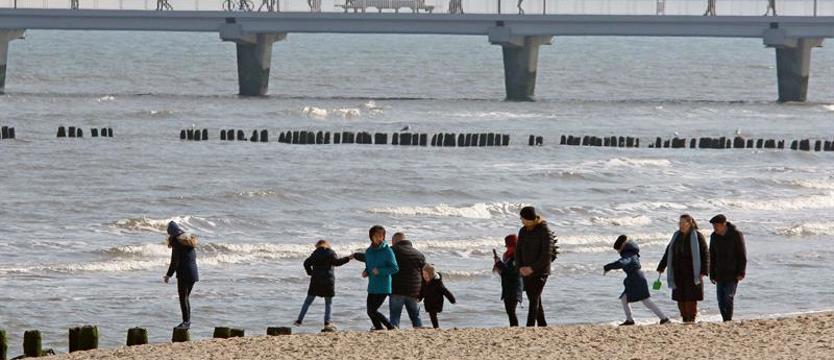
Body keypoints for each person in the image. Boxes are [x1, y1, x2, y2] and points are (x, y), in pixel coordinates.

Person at [604, 235, 670, 326]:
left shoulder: (628, 254)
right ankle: (630, 320)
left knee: (646, 301)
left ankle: (664, 319)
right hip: (634, 279)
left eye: (618, 250)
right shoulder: (631, 252)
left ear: (621, 247)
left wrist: (608, 267)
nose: (618, 252)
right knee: (625, 298)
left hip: (637, 279)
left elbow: (622, 262)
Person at [657, 214, 709, 323]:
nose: (680, 225)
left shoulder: (698, 236)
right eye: (679, 223)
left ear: (689, 223)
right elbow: (668, 252)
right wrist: (662, 266)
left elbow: (705, 254)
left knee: (691, 298)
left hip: (693, 273)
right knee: (680, 298)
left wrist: (704, 271)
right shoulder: (676, 236)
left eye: (682, 223)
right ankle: (685, 318)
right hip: (678, 272)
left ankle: (691, 319)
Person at [294, 240, 352, 331]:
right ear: (328, 245)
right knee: (328, 303)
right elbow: (337, 262)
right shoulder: (330, 253)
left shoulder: (315, 254)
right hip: (328, 281)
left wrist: (310, 273)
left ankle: (299, 320)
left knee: (307, 302)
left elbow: (306, 263)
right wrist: (348, 258)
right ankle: (327, 323)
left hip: (316, 281)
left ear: (318, 246)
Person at [516, 206, 553, 327]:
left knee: (534, 299)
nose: (521, 220)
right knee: (535, 298)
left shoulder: (544, 230)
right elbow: (518, 251)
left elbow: (547, 255)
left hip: (540, 271)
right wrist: (520, 267)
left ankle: (529, 326)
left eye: (522, 218)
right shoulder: (522, 231)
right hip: (525, 271)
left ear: (529, 219)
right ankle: (542, 324)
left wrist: (532, 268)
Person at [708, 214, 747, 322]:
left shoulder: (736, 235)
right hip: (719, 273)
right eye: (713, 226)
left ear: (723, 224)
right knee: (720, 300)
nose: (714, 228)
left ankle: (728, 319)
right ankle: (725, 319)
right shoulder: (714, 236)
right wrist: (711, 273)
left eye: (716, 225)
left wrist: (741, 272)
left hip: (733, 273)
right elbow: (712, 255)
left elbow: (742, 254)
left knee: (728, 297)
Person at [361, 225, 399, 330]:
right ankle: (379, 328)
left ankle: (391, 327)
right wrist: (366, 272)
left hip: (384, 286)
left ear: (383, 237)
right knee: (369, 311)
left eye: (381, 236)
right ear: (371, 237)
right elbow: (368, 266)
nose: (378, 238)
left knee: (373, 310)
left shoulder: (387, 251)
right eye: (376, 236)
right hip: (372, 285)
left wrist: (380, 271)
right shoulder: (368, 251)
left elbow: (395, 268)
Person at [163, 221, 199, 330]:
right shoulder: (188, 241)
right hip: (193, 273)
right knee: (186, 298)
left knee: (183, 298)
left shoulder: (177, 243)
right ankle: (187, 321)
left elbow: (175, 262)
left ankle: (186, 322)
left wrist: (168, 275)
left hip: (184, 273)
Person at [388, 232, 426, 329]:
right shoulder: (419, 254)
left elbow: (374, 259)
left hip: (397, 290)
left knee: (395, 317)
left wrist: (356, 256)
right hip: (413, 292)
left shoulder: (391, 251)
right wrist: (421, 294)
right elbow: (424, 276)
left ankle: (394, 335)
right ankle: (419, 334)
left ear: (395, 240)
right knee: (415, 317)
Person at [493, 234, 523, 327]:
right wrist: (498, 265)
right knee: (509, 311)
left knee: (511, 311)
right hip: (507, 287)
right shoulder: (507, 256)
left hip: (514, 288)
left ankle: (515, 328)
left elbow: (510, 271)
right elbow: (505, 272)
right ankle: (513, 327)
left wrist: (499, 263)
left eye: (510, 246)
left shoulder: (517, 257)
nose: (508, 248)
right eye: (508, 246)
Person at [420, 264, 456, 329]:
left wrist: (452, 299)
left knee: (432, 313)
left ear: (431, 275)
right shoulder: (424, 282)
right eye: (423, 274)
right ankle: (436, 327)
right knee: (431, 314)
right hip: (428, 301)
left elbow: (445, 291)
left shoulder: (437, 283)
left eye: (426, 274)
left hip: (437, 301)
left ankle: (436, 327)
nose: (424, 276)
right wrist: (419, 298)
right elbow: (422, 292)